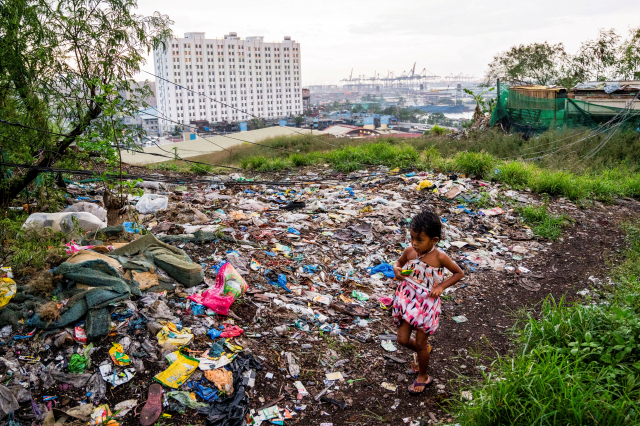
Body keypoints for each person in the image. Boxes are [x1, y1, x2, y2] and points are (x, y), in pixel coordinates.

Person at [392, 209, 464, 395]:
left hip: (426, 305)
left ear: (434, 240)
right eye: (412, 238)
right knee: (402, 339)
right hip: (407, 300)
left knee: (421, 342)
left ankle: (423, 376)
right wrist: (397, 271)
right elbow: (398, 264)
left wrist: (441, 287)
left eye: (419, 240)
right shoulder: (410, 252)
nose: (414, 243)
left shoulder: (439, 257)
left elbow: (459, 273)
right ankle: (423, 350)